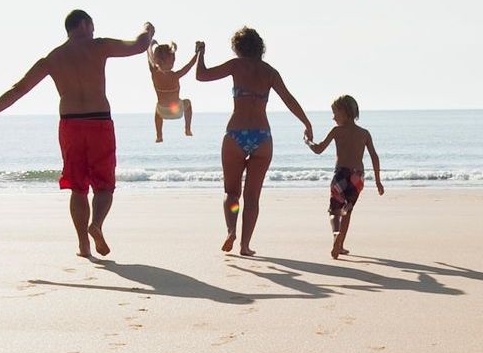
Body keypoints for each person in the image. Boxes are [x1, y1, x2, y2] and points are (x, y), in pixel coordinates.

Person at [0, 10, 153, 259]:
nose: (94, 30)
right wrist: (147, 29)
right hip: (99, 121)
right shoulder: (98, 46)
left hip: (71, 125)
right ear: (84, 24)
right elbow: (139, 45)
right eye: (92, 25)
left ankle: (83, 246)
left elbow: (20, 89)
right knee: (104, 186)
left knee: (77, 188)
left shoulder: (53, 58)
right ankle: (97, 224)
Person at [194, 28, 311, 256]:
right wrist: (306, 122)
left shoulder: (236, 65)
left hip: (236, 134)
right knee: (252, 197)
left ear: (238, 47)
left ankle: (230, 231)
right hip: (262, 137)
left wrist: (200, 52)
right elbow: (288, 98)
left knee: (232, 193)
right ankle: (245, 245)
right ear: (260, 47)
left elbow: (202, 75)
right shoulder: (270, 72)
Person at [306, 94, 383, 258]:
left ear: (345, 112)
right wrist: (378, 181)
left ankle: (336, 234)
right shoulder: (364, 133)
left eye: (335, 113)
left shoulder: (337, 131)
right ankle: (340, 245)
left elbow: (319, 149)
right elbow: (375, 157)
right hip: (358, 177)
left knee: (335, 210)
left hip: (341, 173)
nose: (333, 117)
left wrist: (308, 141)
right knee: (347, 210)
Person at [147, 41, 196, 142]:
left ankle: (159, 135)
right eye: (173, 60)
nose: (174, 62)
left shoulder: (154, 73)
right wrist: (197, 53)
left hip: (162, 112)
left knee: (157, 110)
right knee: (188, 102)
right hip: (177, 111)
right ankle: (187, 128)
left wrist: (150, 45)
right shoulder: (175, 75)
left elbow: (149, 57)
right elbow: (189, 65)